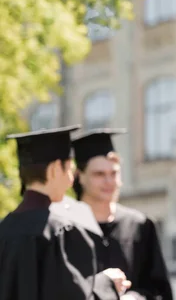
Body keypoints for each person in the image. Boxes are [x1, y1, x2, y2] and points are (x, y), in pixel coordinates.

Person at [0, 125, 128, 300]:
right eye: (68, 169)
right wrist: (106, 284)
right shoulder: (63, 231)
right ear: (54, 169)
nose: (70, 180)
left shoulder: (4, 229)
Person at [69, 128, 173, 300]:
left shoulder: (140, 225)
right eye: (99, 174)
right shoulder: (65, 227)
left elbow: (160, 291)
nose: (109, 181)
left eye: (114, 173)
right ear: (79, 176)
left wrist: (134, 298)